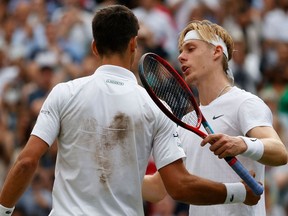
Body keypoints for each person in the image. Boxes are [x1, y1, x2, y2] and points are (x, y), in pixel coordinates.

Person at [0, 6, 260, 216]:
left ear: (94, 46)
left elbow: (26, 162)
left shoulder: (63, 93)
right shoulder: (157, 107)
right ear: (134, 44)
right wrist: (239, 192)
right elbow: (177, 187)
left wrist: (3, 210)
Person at [174, 20, 287, 215]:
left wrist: (242, 144)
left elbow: (279, 152)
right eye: (181, 51)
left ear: (216, 52)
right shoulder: (187, 122)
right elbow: (161, 187)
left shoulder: (245, 103)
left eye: (190, 49)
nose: (181, 57)